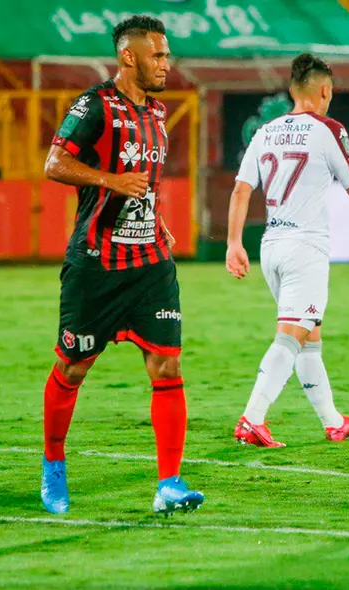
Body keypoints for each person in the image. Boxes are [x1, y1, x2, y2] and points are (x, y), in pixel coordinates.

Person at [41, 15, 204, 515]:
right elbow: (54, 164)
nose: (166, 64)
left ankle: (169, 484)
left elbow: (145, 187)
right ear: (128, 56)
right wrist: (110, 180)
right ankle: (53, 467)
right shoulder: (94, 106)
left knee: (167, 363)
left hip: (150, 263)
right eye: (158, 55)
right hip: (96, 263)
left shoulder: (158, 116)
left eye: (167, 54)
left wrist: (155, 221)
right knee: (73, 365)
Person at [226, 54, 349, 447]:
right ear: (325, 91)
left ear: (291, 91)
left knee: (309, 336)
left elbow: (240, 190)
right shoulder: (329, 130)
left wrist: (235, 243)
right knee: (290, 336)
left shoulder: (265, 131)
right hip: (306, 248)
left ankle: (333, 421)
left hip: (271, 246)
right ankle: (252, 418)